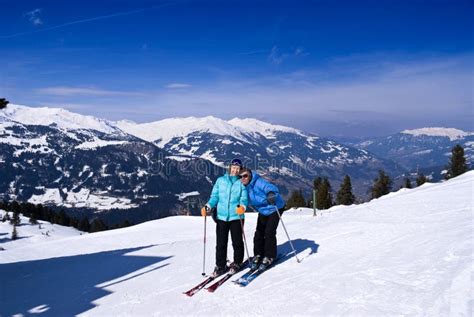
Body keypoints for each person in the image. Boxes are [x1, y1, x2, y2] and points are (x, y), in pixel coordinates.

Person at [201, 158, 248, 276]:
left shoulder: (241, 183)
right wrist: (208, 206)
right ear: (230, 168)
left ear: (240, 169)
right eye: (233, 167)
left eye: (238, 168)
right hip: (222, 217)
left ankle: (237, 262)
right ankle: (220, 265)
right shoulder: (220, 181)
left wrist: (242, 207)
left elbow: (244, 198)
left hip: (237, 216)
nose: (235, 170)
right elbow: (215, 196)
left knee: (237, 241)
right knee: (221, 243)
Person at [238, 167, 285, 271]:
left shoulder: (258, 182)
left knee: (269, 232)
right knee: (259, 232)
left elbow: (271, 188)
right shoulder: (242, 188)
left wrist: (271, 193)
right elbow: (241, 199)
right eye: (240, 176)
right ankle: (258, 254)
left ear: (250, 175)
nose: (243, 178)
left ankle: (269, 256)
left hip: (275, 207)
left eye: (245, 176)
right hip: (263, 210)